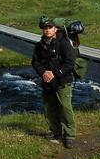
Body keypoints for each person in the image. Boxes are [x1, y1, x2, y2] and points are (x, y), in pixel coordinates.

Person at [31, 18, 77, 148]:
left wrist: (55, 73)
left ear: (55, 28)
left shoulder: (64, 43)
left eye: (50, 27)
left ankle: (69, 135)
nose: (47, 30)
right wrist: (43, 73)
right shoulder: (39, 45)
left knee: (65, 107)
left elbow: (70, 62)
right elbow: (35, 62)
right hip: (47, 81)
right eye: (45, 28)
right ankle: (55, 131)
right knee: (49, 107)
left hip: (63, 80)